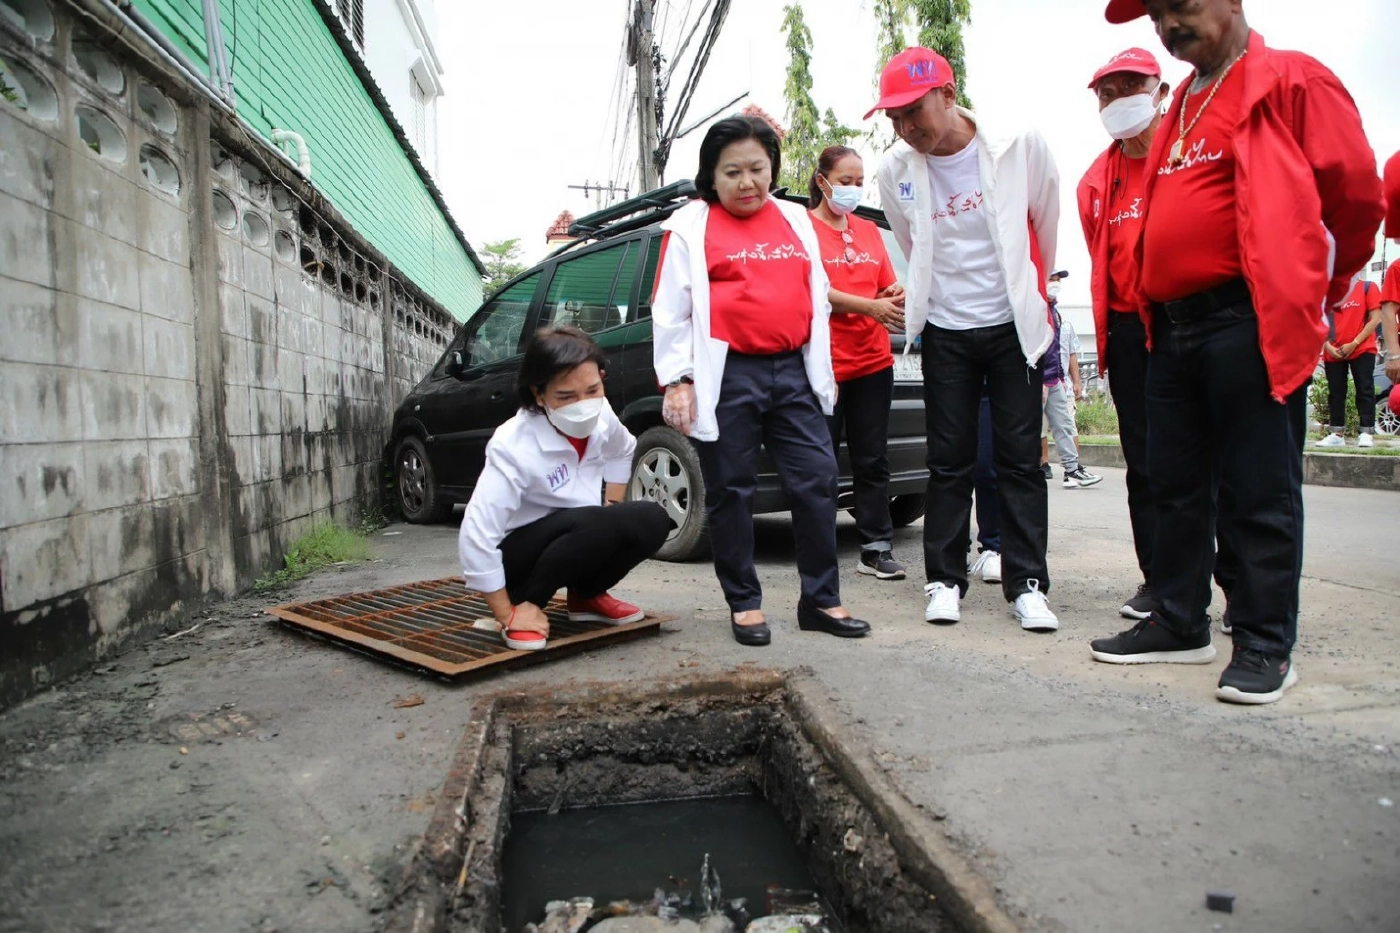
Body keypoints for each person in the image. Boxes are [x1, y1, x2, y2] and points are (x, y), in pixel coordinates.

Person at [1090, 0, 1384, 704]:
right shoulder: (1184, 101)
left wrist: (1317, 283)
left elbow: (1355, 197)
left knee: (1258, 487)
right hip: (1173, 327)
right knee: (1175, 485)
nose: (1166, 25)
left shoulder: (1290, 81)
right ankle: (1179, 618)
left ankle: (1263, 639)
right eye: (1155, 16)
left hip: (1246, 316)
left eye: (1179, 6)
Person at [652, 115, 871, 646]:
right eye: (732, 172)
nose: (747, 182)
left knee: (818, 481)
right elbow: (670, 310)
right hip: (728, 374)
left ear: (773, 167)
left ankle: (821, 600)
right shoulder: (690, 226)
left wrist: (823, 369)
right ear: (711, 176)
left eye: (757, 168)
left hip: (794, 369)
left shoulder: (795, 219)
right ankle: (744, 603)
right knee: (731, 490)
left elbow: (815, 294)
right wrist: (678, 381)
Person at [870, 47, 1062, 633]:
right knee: (948, 460)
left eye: (914, 112)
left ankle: (1026, 583)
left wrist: (1031, 294)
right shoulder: (894, 170)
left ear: (948, 97)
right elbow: (912, 240)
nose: (906, 128)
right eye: (894, 118)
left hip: (1010, 328)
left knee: (1019, 460)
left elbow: (1045, 223)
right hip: (948, 331)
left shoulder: (1016, 146)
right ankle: (943, 581)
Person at [457, 326, 672, 651]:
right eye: (566, 396)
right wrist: (506, 613)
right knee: (593, 521)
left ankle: (585, 598)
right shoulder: (513, 444)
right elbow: (476, 534)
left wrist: (613, 505)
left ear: (601, 378)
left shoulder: (601, 415)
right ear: (539, 393)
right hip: (519, 560)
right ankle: (526, 606)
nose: (582, 404)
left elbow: (623, 448)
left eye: (592, 389)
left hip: (580, 536)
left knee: (652, 518)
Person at [806, 145, 909, 581]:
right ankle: (817, 547)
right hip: (824, 363)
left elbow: (886, 284)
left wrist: (892, 295)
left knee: (872, 457)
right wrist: (870, 307)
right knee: (820, 461)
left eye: (858, 181)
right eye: (844, 180)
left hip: (872, 361)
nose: (852, 188)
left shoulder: (868, 230)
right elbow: (813, 289)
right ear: (822, 180)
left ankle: (876, 546)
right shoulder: (803, 229)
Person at [1040, 271, 1102, 488]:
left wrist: (1063, 378)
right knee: (1032, 431)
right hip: (1037, 379)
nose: (1055, 284)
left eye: (1057, 280)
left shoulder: (1056, 313)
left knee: (1064, 425)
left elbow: (1064, 351)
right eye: (1052, 279)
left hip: (1054, 379)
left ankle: (1072, 470)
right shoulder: (1035, 308)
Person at [1316, 279, 1381, 448]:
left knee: (1365, 388)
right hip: (1333, 349)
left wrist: (1354, 343)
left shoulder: (1367, 287)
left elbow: (1375, 319)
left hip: (1362, 347)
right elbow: (1317, 320)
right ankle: (1336, 433)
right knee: (1336, 392)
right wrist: (1327, 346)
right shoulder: (1327, 291)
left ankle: (1366, 432)